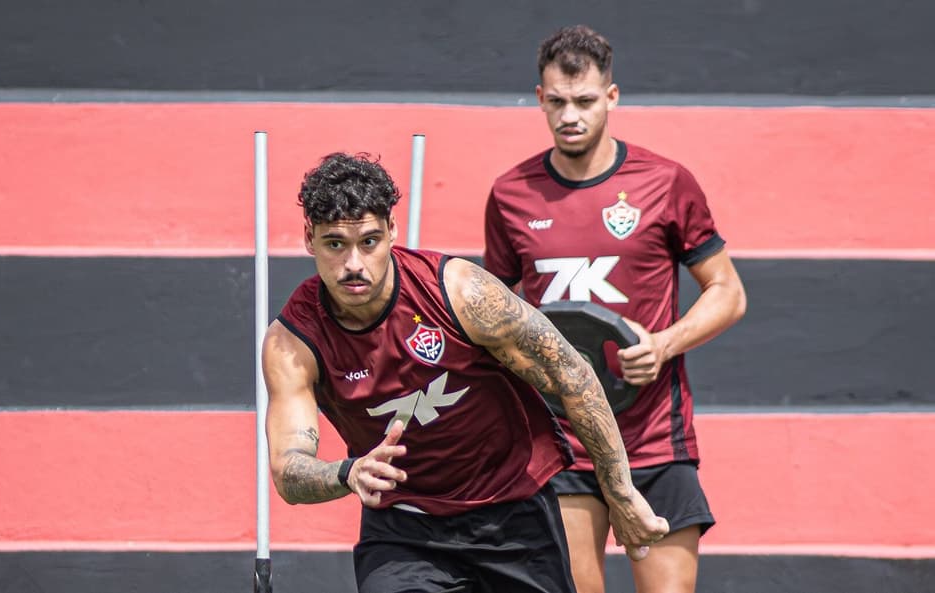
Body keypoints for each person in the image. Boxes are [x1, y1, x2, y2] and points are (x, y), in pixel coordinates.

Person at [263, 152, 669, 593]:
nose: (354, 265)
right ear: (309, 239)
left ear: (392, 232)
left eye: (369, 241)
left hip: (512, 510)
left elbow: (573, 375)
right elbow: (289, 470)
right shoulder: (293, 342)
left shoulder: (459, 291)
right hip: (405, 527)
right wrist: (347, 473)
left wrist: (621, 492)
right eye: (335, 244)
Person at [482, 25, 748, 593]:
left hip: (653, 437)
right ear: (539, 99)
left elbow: (728, 291)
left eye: (583, 101)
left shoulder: (665, 182)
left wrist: (664, 344)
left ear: (612, 97)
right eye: (556, 102)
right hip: (561, 442)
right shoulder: (511, 194)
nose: (569, 116)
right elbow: (492, 316)